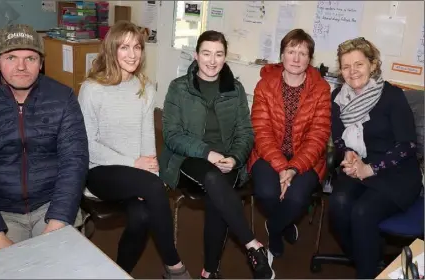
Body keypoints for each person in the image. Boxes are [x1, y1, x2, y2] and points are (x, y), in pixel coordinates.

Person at [0, 24, 89, 256]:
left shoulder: (63, 97)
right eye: (12, 57)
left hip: (53, 204)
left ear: (41, 62)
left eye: (30, 58)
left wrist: (58, 220)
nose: (21, 67)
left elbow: (74, 161)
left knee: (70, 266)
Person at [77, 21, 190, 279]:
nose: (132, 54)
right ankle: (175, 267)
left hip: (133, 173)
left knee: (141, 216)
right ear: (111, 50)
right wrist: (137, 167)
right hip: (99, 171)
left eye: (137, 47)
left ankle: (119, 273)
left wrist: (148, 170)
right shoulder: (92, 89)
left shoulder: (144, 88)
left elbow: (147, 137)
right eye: (124, 47)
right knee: (152, 187)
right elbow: (88, 145)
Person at [159, 30, 275, 279]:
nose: (212, 61)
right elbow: (172, 135)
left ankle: (209, 272)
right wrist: (206, 152)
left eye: (219, 54)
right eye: (206, 53)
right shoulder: (178, 88)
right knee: (214, 180)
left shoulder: (235, 89)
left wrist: (234, 157)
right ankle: (252, 245)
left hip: (228, 162)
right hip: (189, 161)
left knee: (217, 194)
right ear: (196, 55)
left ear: (225, 58)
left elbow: (246, 133)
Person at [329, 37, 423, 279]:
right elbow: (339, 139)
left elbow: (407, 146)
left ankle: (366, 271)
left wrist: (371, 168)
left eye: (359, 64)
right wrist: (347, 153)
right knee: (338, 204)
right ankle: (368, 259)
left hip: (396, 172)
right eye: (346, 66)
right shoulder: (339, 97)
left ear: (372, 65)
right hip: (358, 167)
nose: (353, 71)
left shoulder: (392, 96)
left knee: (362, 212)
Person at [248, 29, 331, 258]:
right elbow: (261, 131)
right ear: (282, 55)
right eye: (291, 51)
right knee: (266, 193)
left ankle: (274, 228)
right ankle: (283, 223)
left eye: (302, 53)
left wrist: (294, 168)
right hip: (267, 154)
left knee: (296, 198)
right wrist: (282, 167)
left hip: (306, 159)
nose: (296, 58)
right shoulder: (265, 85)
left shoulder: (322, 89)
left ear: (309, 59)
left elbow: (319, 135)